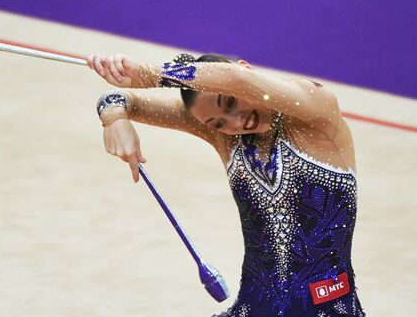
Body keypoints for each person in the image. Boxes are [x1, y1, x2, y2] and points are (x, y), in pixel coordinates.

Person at [87, 52, 365, 316]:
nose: (235, 122)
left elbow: (240, 80)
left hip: (329, 308)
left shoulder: (316, 112)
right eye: (217, 122)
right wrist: (114, 119)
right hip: (253, 309)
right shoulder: (225, 137)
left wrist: (148, 75)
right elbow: (116, 98)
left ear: (244, 66)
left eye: (230, 103)